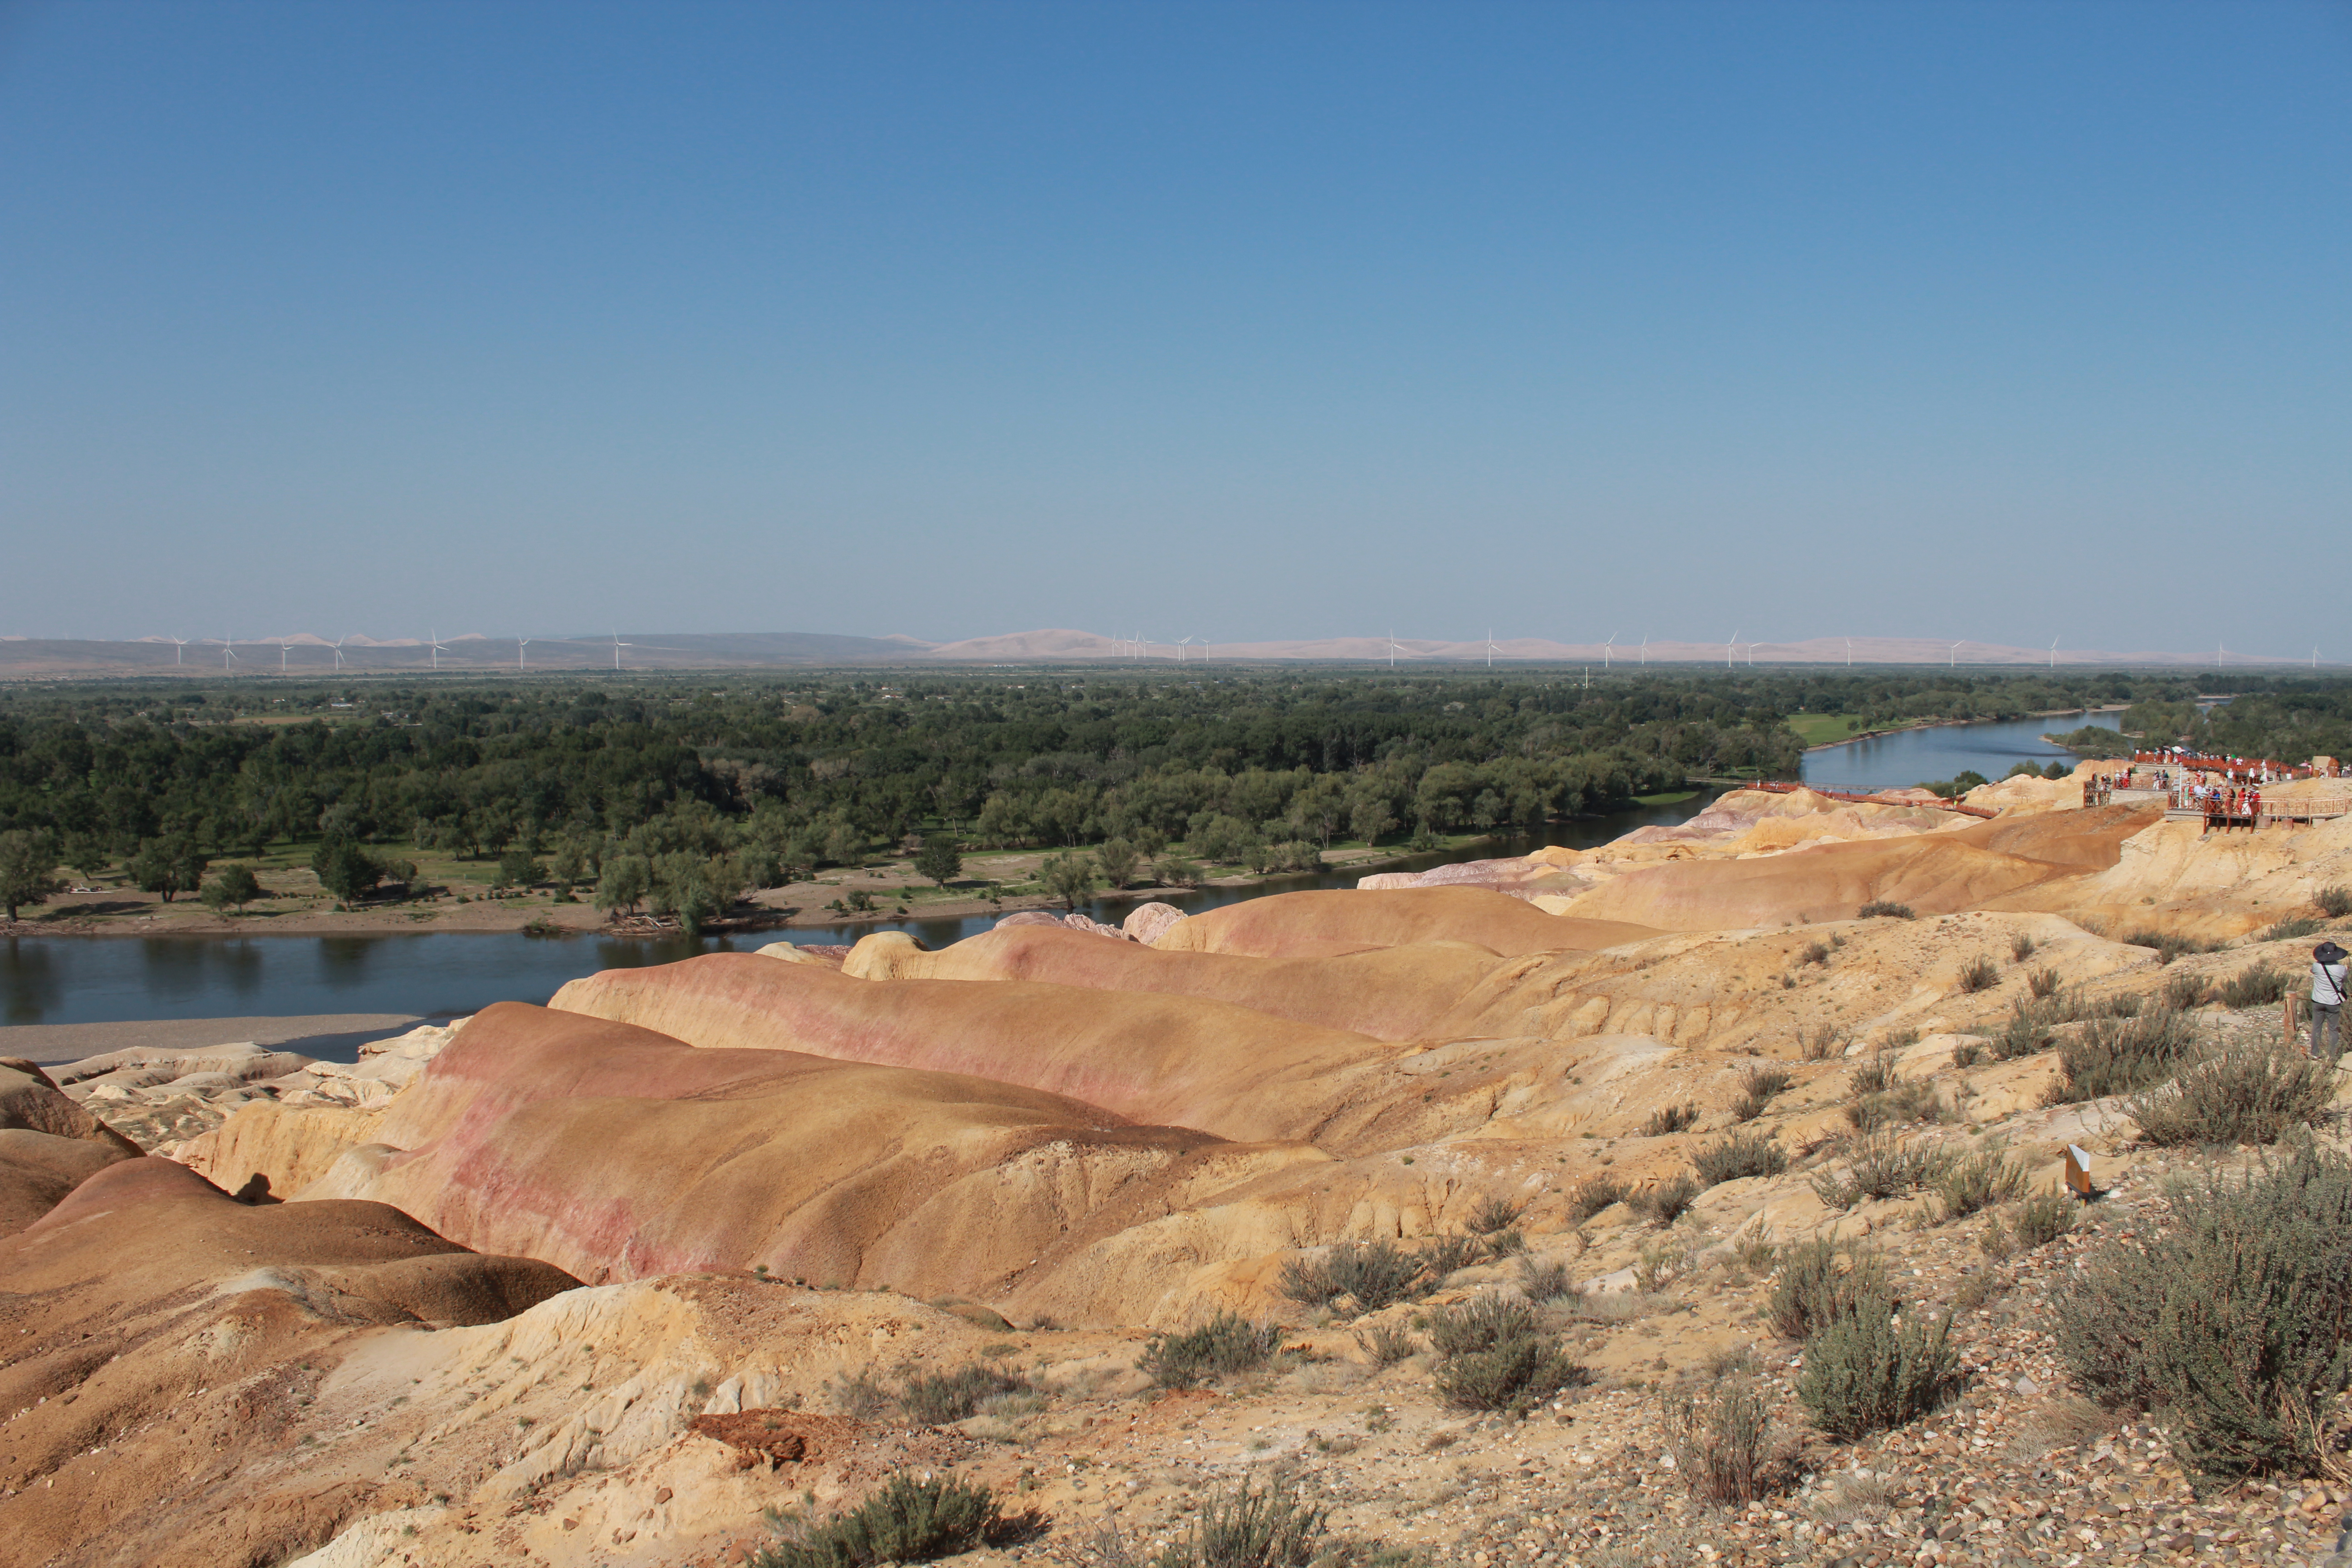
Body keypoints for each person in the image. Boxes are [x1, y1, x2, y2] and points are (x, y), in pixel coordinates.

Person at [2312, 941, 2348, 1063]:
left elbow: (2313, 971)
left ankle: (2315, 1053)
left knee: (2317, 1027)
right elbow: (2344, 979)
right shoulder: (2341, 969)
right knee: (2333, 1029)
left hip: (2318, 1000)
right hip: (2333, 1002)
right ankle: (2332, 1056)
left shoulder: (2317, 966)